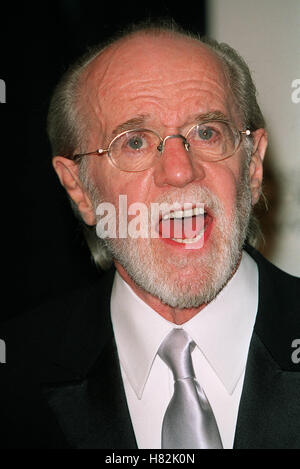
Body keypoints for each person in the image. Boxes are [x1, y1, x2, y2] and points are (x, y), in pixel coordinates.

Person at [0, 20, 299, 450]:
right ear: (79, 188)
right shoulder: (16, 376)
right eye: (135, 142)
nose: (180, 171)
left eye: (207, 132)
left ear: (252, 167)